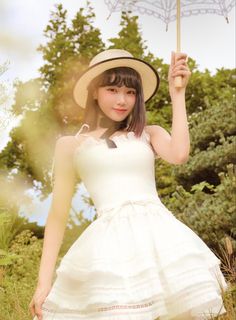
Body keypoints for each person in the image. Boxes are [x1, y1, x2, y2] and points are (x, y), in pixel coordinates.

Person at [29, 49, 228, 320]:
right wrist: (43, 282)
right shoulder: (70, 145)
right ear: (94, 91)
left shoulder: (148, 134)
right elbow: (57, 215)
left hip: (161, 238)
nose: (123, 100)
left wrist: (177, 94)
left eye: (131, 92)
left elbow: (179, 154)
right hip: (109, 246)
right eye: (112, 89)